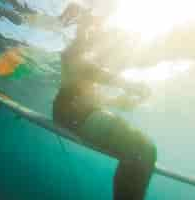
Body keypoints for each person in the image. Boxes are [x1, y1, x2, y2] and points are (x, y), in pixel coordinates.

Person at [53, 3, 157, 200]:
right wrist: (129, 85)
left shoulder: (85, 54)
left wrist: (118, 102)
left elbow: (90, 93)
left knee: (143, 148)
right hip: (73, 115)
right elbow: (85, 70)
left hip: (81, 113)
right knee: (143, 149)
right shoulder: (74, 52)